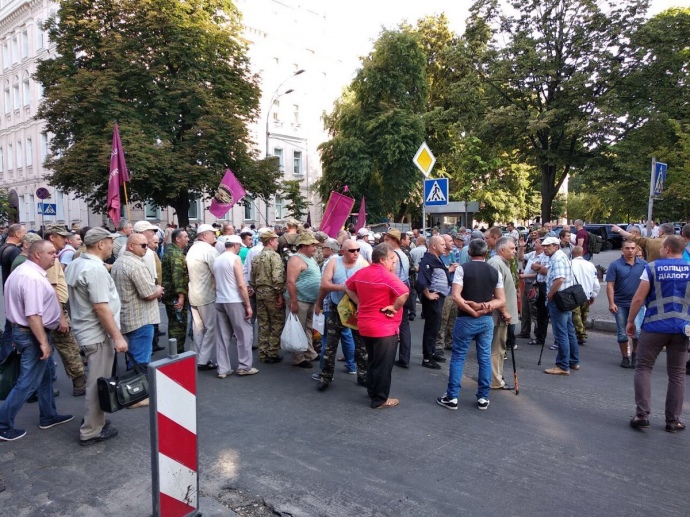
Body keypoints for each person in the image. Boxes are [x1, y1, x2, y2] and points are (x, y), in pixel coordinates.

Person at [0, 240, 73, 441]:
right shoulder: (31, 278)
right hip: (32, 334)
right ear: (37, 255)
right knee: (28, 382)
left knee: (46, 375)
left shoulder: (24, 272)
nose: (55, 256)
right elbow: (32, 315)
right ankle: (3, 424)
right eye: (51, 253)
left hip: (26, 332)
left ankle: (48, 415)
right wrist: (42, 342)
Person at [65, 228, 126, 446]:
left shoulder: (77, 263)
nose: (112, 246)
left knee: (97, 381)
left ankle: (95, 420)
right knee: (97, 383)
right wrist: (117, 337)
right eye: (110, 242)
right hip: (97, 334)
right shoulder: (94, 269)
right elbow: (101, 308)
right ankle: (90, 430)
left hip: (86, 330)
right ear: (101, 244)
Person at [627, 236, 689, 432]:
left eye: (662, 247)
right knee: (677, 374)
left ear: (668, 249)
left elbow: (638, 298)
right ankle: (673, 421)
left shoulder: (652, 268)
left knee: (643, 368)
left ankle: (642, 415)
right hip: (682, 328)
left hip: (654, 326)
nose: (660, 249)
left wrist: (630, 321)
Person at [436, 239, 505, 411]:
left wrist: (472, 310)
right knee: (484, 358)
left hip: (466, 319)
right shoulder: (494, 272)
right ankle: (483, 397)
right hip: (486, 319)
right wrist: (483, 307)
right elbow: (501, 300)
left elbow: (456, 296)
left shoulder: (462, 269)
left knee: (458, 357)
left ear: (469, 253)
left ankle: (452, 397)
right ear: (485, 253)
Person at [345, 243, 409, 409]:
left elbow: (347, 286)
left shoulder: (362, 272)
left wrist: (359, 302)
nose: (394, 262)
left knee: (373, 361)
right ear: (382, 259)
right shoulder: (386, 276)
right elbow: (404, 292)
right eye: (392, 259)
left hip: (365, 325)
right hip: (383, 328)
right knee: (383, 365)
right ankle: (380, 399)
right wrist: (394, 308)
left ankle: (373, 392)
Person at [313, 238, 368, 390]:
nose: (356, 253)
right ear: (343, 251)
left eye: (358, 250)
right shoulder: (334, 262)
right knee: (330, 345)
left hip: (356, 309)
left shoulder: (363, 264)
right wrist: (319, 303)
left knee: (361, 345)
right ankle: (326, 376)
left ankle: (363, 376)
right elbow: (324, 284)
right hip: (336, 308)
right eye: (352, 250)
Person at [44, 224, 88, 397]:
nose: (66, 240)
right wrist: (61, 316)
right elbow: (52, 288)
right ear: (52, 237)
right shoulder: (50, 257)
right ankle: (79, 383)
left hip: (53, 309)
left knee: (55, 347)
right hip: (56, 309)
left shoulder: (50, 255)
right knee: (68, 347)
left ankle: (44, 385)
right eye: (62, 237)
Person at [111, 234, 164, 366]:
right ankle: (139, 379)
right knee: (140, 362)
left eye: (147, 245)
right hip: (141, 319)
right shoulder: (136, 265)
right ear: (131, 246)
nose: (146, 248)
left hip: (128, 316)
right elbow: (148, 294)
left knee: (135, 358)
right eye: (143, 245)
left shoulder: (118, 262)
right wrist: (159, 289)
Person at [214, 235, 256, 377]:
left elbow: (215, 282)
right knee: (244, 334)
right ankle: (244, 366)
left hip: (220, 299)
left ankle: (223, 368)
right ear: (236, 245)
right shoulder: (235, 259)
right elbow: (241, 284)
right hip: (234, 300)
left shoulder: (217, 259)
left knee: (222, 336)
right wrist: (248, 305)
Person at [541, 236, 580, 375]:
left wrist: (550, 294)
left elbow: (559, 279)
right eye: (544, 246)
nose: (545, 248)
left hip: (558, 299)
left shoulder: (557, 258)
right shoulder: (560, 256)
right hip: (565, 299)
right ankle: (573, 361)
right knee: (569, 331)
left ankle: (563, 365)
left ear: (556, 246)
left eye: (548, 246)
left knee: (561, 333)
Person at [416, 235, 456, 369]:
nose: (445, 246)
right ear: (434, 246)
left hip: (439, 297)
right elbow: (421, 280)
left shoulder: (436, 259)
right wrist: (428, 294)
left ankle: (432, 352)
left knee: (436, 327)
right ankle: (427, 358)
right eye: (442, 244)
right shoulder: (428, 260)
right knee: (431, 328)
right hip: (434, 299)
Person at [606, 239, 647, 368]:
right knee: (622, 332)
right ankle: (625, 357)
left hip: (638, 304)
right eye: (627, 248)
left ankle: (635, 354)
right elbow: (610, 285)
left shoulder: (644, 265)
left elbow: (649, 284)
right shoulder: (615, 265)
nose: (630, 251)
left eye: (632, 248)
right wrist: (611, 303)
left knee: (638, 331)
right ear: (622, 250)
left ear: (636, 250)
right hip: (620, 304)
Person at [186, 223, 219, 370]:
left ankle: (198, 356)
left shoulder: (193, 248)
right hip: (206, 294)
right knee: (211, 328)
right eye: (212, 233)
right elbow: (217, 271)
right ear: (205, 235)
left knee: (198, 328)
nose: (214, 236)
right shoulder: (208, 250)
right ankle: (203, 359)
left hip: (194, 292)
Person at [285, 233, 321, 367]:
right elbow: (290, 281)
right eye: (312, 245)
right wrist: (294, 301)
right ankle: (298, 357)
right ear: (304, 246)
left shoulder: (310, 259)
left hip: (310, 300)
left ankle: (309, 352)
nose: (315, 248)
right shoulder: (295, 259)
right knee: (298, 328)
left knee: (308, 327)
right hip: (300, 299)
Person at [488, 237, 518, 390]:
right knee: (497, 348)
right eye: (512, 248)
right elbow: (494, 292)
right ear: (502, 250)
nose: (514, 251)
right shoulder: (496, 263)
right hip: (499, 315)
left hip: (502, 314)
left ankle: (495, 376)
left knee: (499, 348)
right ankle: (494, 379)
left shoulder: (502, 263)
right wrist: (504, 311)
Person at [250, 231, 285, 364]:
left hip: (260, 292)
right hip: (272, 293)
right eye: (276, 241)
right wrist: (280, 294)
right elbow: (277, 277)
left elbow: (252, 278)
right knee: (276, 322)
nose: (277, 243)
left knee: (263, 323)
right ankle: (272, 352)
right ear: (270, 241)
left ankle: (263, 352)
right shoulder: (274, 256)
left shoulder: (256, 257)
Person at [383, 229, 412, 368]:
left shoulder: (394, 255)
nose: (384, 242)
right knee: (404, 325)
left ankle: (394, 357)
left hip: (397, 292)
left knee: (396, 325)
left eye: (387, 240)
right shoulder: (403, 254)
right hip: (404, 290)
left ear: (394, 240)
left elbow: (393, 277)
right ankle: (404, 357)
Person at [0, 224, 27, 361]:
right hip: (14, 293)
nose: (25, 235)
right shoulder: (14, 251)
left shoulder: (4, 247)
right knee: (13, 326)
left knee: (9, 325)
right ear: (17, 234)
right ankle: (7, 358)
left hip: (8, 290)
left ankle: (5, 356)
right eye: (24, 232)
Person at [161, 228, 190, 354]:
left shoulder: (172, 250)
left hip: (171, 294)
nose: (188, 239)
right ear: (177, 239)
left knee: (175, 324)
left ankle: (176, 353)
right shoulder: (175, 254)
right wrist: (181, 297)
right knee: (178, 326)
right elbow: (178, 277)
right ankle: (177, 354)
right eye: (185, 237)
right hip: (175, 296)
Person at [570, 245, 600, 346]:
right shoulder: (590, 265)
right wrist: (594, 294)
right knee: (584, 314)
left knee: (576, 314)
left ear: (572, 254)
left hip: (574, 294)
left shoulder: (570, 264)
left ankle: (580, 333)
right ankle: (581, 333)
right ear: (583, 253)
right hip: (586, 293)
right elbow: (595, 281)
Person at [518, 237, 542, 339]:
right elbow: (520, 258)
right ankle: (524, 331)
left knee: (534, 311)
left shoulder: (543, 257)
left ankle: (538, 335)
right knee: (525, 309)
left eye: (536, 242)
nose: (534, 243)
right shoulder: (532, 254)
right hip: (527, 284)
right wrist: (521, 247)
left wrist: (525, 276)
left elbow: (540, 274)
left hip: (534, 286)